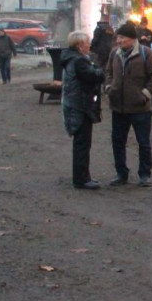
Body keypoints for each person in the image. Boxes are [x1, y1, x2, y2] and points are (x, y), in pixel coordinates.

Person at [105, 22, 152, 187]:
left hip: (140, 108)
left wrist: (146, 94)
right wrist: (109, 87)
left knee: (143, 142)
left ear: (131, 39)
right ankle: (121, 173)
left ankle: (145, 174)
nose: (118, 41)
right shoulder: (114, 54)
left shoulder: (147, 54)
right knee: (118, 142)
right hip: (118, 107)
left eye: (122, 37)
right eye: (118, 37)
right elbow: (108, 72)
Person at [61, 31, 105, 190]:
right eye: (87, 42)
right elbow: (94, 76)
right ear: (80, 45)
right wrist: (101, 71)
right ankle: (81, 179)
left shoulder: (73, 59)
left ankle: (82, 176)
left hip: (76, 106)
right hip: (80, 107)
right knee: (82, 144)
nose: (90, 45)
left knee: (82, 144)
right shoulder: (79, 61)